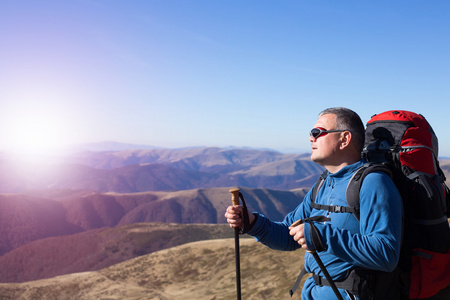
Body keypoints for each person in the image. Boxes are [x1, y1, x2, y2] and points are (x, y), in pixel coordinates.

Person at [225, 107, 403, 300]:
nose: (311, 138)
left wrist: (322, 236)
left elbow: (386, 254)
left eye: (317, 132)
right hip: (314, 292)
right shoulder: (324, 183)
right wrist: (251, 223)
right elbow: (288, 234)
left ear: (344, 139)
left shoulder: (373, 183)